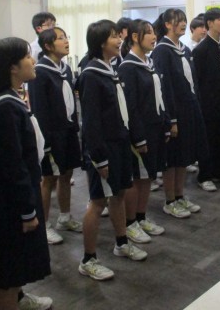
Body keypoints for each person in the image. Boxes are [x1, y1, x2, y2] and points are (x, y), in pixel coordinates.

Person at [0, 37, 52, 309]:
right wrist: (27, 211)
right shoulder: (4, 107)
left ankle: (20, 298)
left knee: (16, 265)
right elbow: (13, 166)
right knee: (7, 273)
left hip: (16, 197)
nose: (33, 61)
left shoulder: (10, 99)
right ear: (12, 67)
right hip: (10, 203)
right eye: (27, 57)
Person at [78, 19, 147, 282]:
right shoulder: (91, 75)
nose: (119, 40)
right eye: (113, 37)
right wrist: (99, 158)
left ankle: (121, 243)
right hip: (103, 150)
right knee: (98, 203)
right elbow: (91, 122)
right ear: (100, 43)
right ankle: (88, 259)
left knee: (118, 195)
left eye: (119, 36)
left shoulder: (110, 69)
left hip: (119, 144)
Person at [28, 27, 83, 246]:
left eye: (66, 37)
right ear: (48, 45)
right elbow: (39, 110)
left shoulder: (65, 68)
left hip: (67, 130)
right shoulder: (40, 72)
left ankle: (64, 217)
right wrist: (46, 143)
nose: (66, 41)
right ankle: (43, 225)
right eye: (61, 38)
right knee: (48, 178)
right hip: (51, 135)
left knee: (66, 173)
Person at [118, 19, 170, 243]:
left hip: (155, 128)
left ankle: (141, 217)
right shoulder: (128, 67)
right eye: (148, 32)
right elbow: (130, 107)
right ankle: (130, 223)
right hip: (139, 133)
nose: (153, 36)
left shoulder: (149, 63)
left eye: (153, 32)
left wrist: (165, 123)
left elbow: (159, 96)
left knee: (148, 175)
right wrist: (138, 138)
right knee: (136, 178)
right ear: (134, 37)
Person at [152, 8, 206, 214]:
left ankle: (180, 196)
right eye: (178, 20)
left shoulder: (184, 49)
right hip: (174, 112)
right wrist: (171, 120)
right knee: (172, 159)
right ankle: (170, 201)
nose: (183, 23)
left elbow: (193, 82)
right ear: (167, 24)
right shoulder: (162, 50)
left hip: (189, 108)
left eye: (184, 20)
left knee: (184, 157)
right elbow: (164, 89)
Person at [193, 7, 220, 189]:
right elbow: (198, 81)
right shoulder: (201, 49)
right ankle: (204, 176)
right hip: (207, 103)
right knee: (208, 140)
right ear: (210, 23)